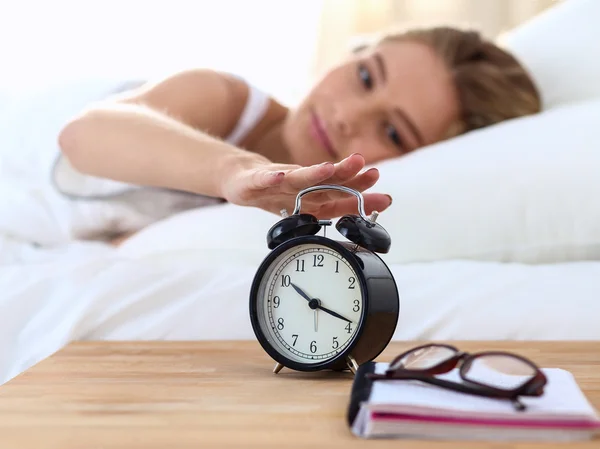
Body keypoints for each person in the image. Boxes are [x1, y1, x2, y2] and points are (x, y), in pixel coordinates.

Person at [55, 26, 541, 245]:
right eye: (366, 77)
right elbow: (82, 136)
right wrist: (235, 170)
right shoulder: (223, 99)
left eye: (392, 130)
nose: (347, 114)